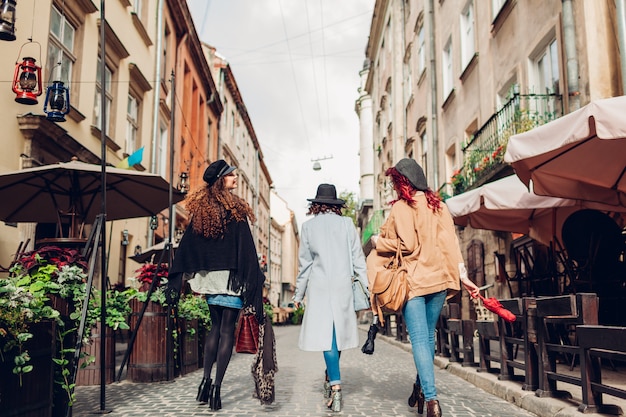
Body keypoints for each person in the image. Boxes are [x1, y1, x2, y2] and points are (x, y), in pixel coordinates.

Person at [366, 158, 480, 417]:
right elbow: (451, 244)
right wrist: (463, 276)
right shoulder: (439, 206)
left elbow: (403, 245)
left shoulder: (402, 209)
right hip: (439, 281)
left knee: (419, 339)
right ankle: (420, 387)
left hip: (414, 282)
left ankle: (432, 400)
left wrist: (376, 241)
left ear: (402, 182)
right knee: (428, 339)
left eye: (396, 182)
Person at [167, 159, 265, 411]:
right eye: (232, 175)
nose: (235, 178)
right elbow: (246, 250)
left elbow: (189, 246)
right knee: (226, 333)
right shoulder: (234, 209)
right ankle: (217, 390)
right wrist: (254, 279)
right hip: (231, 280)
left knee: (214, 330)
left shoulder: (202, 210)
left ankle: (205, 381)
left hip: (211, 281)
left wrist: (178, 277)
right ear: (222, 179)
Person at [292, 183, 368, 412]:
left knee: (327, 337)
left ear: (316, 204)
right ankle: (331, 377)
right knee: (339, 334)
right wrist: (366, 287)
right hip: (343, 286)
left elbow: (304, 266)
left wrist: (298, 293)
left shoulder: (308, 227)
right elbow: (358, 259)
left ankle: (335, 385)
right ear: (336, 205)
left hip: (319, 288)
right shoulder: (347, 225)